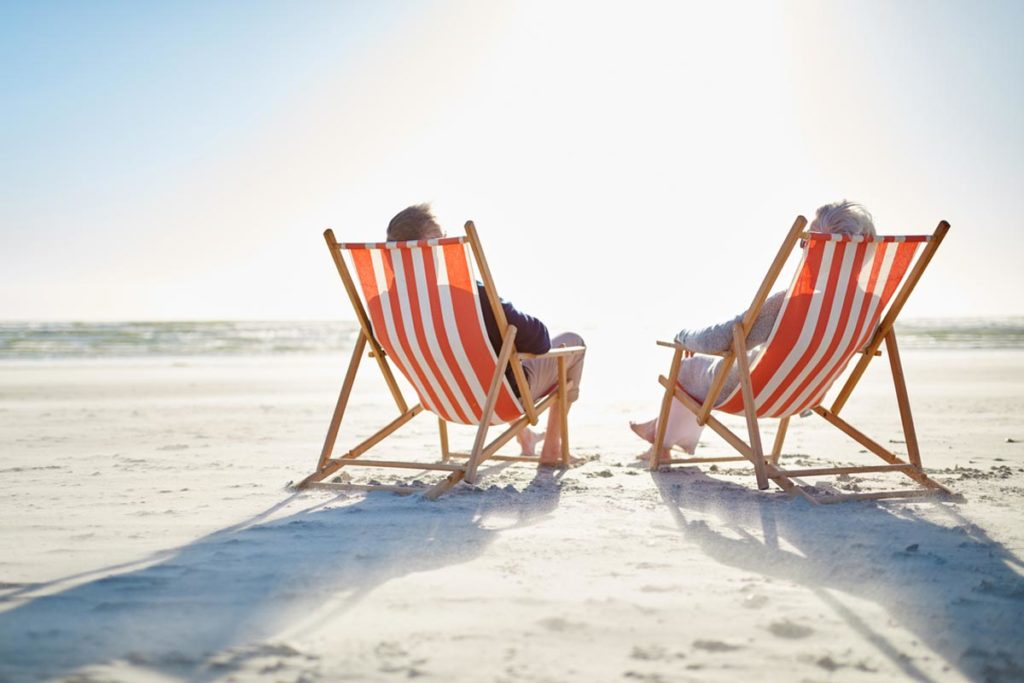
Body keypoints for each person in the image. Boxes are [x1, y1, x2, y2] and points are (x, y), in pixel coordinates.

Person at [630, 200, 877, 459]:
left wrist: (684, 338)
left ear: (821, 248)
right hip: (804, 395)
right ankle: (658, 434)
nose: (803, 249)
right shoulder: (869, 306)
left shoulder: (793, 302)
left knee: (687, 368)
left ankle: (660, 445)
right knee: (704, 367)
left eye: (806, 242)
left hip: (749, 392)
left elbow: (724, 339)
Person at [386, 204, 586, 465]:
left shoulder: (387, 305)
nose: (446, 245)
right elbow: (539, 340)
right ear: (422, 249)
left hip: (442, 400)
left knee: (493, 356)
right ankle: (553, 449)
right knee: (573, 343)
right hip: (496, 403)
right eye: (439, 239)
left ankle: (525, 437)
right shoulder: (467, 295)